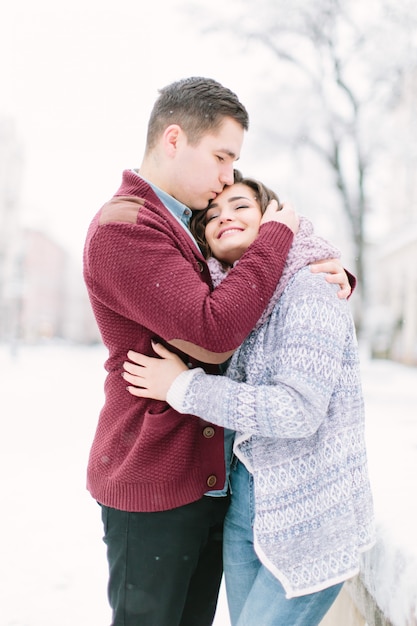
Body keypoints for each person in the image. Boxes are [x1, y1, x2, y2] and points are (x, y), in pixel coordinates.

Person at [83, 76, 352, 626]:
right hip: (151, 479)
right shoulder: (126, 227)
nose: (229, 176)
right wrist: (281, 233)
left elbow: (253, 290)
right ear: (175, 139)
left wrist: (327, 270)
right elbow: (214, 329)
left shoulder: (182, 225)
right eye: (222, 156)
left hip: (205, 482)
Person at [122, 171, 375, 626]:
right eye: (211, 217)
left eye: (241, 206)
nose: (224, 217)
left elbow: (297, 410)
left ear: (274, 219)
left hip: (312, 517)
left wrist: (183, 388)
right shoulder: (237, 304)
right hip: (246, 507)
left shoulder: (312, 287)